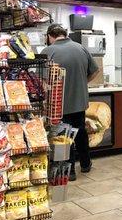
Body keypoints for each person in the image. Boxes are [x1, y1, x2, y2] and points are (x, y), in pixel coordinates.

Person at [41, 24, 99, 180]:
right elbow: (95, 70)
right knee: (80, 133)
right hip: (80, 102)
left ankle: (70, 171)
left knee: (63, 137)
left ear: (49, 36)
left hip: (59, 105)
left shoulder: (48, 51)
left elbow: (42, 79)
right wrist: (82, 83)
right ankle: (86, 164)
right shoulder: (81, 48)